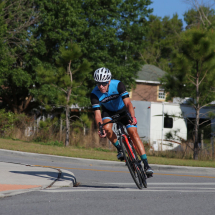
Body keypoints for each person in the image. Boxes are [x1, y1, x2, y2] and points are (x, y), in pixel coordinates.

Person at [90, 67, 153, 177]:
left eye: (104, 84)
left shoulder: (118, 85)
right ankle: (120, 149)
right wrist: (100, 128)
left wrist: (133, 117)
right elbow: (98, 114)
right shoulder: (94, 94)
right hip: (108, 112)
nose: (101, 86)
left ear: (109, 81)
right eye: (98, 83)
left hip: (123, 110)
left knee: (133, 132)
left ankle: (146, 164)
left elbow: (128, 103)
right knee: (107, 128)